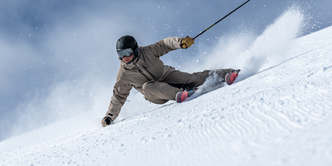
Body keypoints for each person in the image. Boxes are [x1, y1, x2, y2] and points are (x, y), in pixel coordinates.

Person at [101, 35, 240, 127]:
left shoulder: (147, 51)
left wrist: (180, 42)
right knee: (147, 87)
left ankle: (230, 73)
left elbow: (164, 44)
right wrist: (109, 117)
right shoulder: (123, 74)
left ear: (135, 50)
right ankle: (183, 94)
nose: (124, 58)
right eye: (120, 54)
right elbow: (118, 96)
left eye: (127, 53)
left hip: (166, 74)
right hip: (156, 93)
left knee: (194, 79)